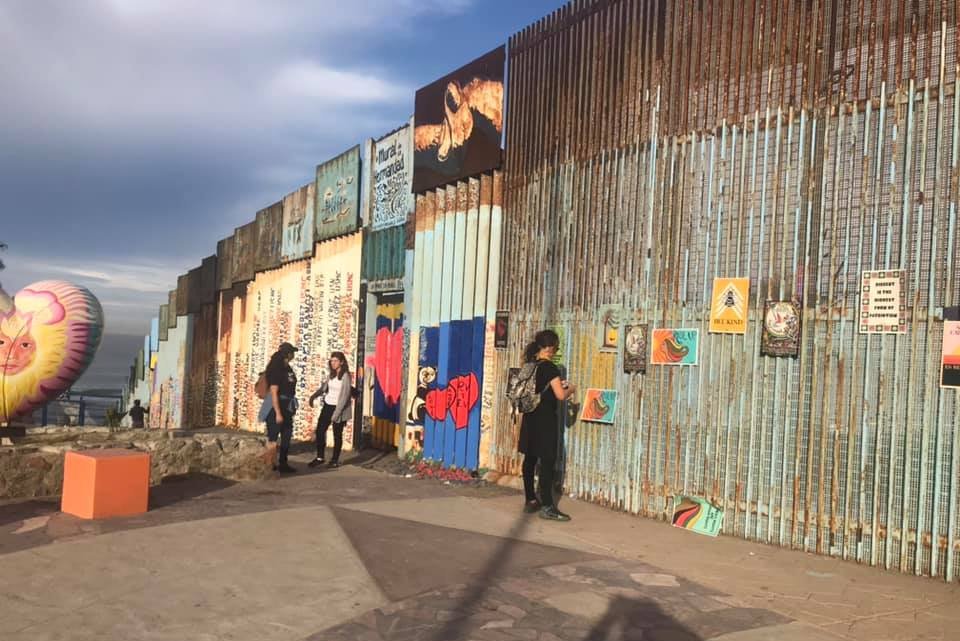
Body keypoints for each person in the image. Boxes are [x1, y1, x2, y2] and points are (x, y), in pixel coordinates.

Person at [518, 329, 576, 522]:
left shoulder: (529, 365)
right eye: (556, 347)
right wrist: (571, 389)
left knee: (530, 459)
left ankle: (530, 499)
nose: (556, 350)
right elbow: (560, 395)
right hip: (545, 420)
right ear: (550, 348)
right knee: (547, 461)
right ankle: (548, 506)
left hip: (529, 417)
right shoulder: (550, 368)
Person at [308, 351, 353, 468]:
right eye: (332, 361)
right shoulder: (331, 375)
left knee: (337, 434)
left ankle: (334, 460)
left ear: (342, 362)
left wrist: (336, 415)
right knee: (320, 431)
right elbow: (324, 388)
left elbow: (344, 397)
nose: (333, 363)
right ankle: (320, 457)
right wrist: (313, 396)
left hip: (339, 408)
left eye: (336, 361)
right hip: (328, 405)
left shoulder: (345, 377)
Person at [264, 342, 299, 473]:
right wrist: (278, 413)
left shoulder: (287, 368)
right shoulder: (277, 368)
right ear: (288, 354)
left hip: (287, 406)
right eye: (292, 352)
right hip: (276, 406)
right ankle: (270, 465)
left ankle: (283, 463)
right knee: (273, 437)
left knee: (287, 434)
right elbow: (273, 391)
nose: (293, 355)